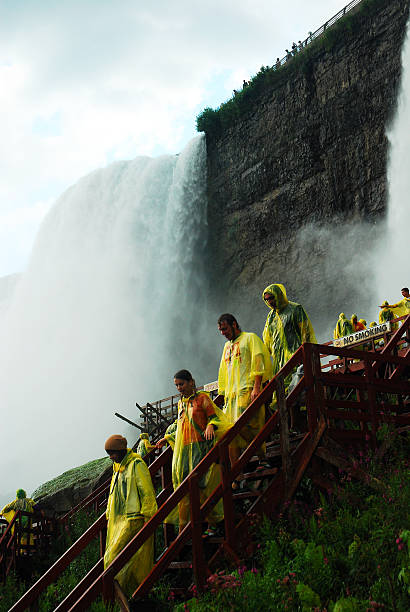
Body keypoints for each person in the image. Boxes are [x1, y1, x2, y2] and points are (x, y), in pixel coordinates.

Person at [156, 370, 231, 536]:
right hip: (186, 451)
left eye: (181, 384)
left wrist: (211, 425)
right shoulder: (181, 404)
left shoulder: (202, 398)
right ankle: (188, 529)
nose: (179, 388)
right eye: (176, 385)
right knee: (188, 489)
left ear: (191, 382)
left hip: (202, 447)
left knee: (205, 486)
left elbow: (214, 417)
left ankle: (214, 524)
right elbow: (180, 425)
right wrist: (167, 437)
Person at [217, 314, 272, 477]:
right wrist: (223, 394)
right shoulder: (227, 347)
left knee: (251, 424)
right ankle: (236, 470)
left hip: (247, 389)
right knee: (229, 432)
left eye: (225, 329)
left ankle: (262, 458)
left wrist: (257, 386)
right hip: (231, 395)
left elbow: (258, 360)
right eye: (220, 330)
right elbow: (223, 372)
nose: (223, 333)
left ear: (234, 324)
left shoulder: (250, 338)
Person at [104, 434, 157, 596]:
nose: (111, 457)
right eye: (109, 454)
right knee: (115, 559)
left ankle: (122, 596)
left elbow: (146, 491)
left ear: (121, 450)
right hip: (119, 522)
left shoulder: (136, 464)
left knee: (114, 558)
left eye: (113, 453)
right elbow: (113, 495)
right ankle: (126, 595)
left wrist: (149, 516)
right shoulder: (118, 468)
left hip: (134, 520)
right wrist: (108, 514)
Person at [262, 283, 316, 377]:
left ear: (278, 295)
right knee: (282, 389)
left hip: (295, 358)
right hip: (278, 362)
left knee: (297, 386)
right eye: (266, 299)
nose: (269, 302)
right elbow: (267, 340)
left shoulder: (295, 309)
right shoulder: (271, 316)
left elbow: (306, 333)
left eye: (271, 298)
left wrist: (305, 356)